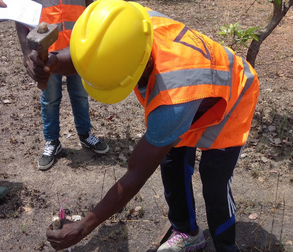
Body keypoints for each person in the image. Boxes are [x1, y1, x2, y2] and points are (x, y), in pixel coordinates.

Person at [27, 0, 259, 251]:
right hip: (191, 89)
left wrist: (85, 226)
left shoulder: (172, 100)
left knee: (214, 181)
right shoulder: (129, 23)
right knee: (173, 163)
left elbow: (136, 173)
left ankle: (226, 245)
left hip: (231, 95)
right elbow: (95, 51)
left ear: (141, 67)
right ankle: (188, 232)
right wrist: (55, 62)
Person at [15, 0, 109, 171]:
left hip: (77, 51)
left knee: (80, 95)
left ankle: (85, 134)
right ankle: (52, 141)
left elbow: (90, 9)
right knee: (50, 99)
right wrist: (25, 53)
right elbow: (20, 15)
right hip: (46, 54)